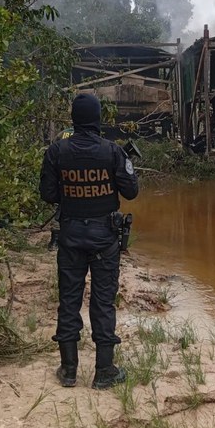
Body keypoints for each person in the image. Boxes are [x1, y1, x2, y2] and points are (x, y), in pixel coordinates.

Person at [39, 93, 139, 389]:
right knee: (103, 301)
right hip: (104, 239)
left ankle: (69, 370)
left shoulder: (56, 151)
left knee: (69, 299)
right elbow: (131, 192)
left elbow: (47, 194)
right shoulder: (112, 152)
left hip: (70, 236)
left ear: (74, 119)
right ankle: (104, 371)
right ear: (98, 119)